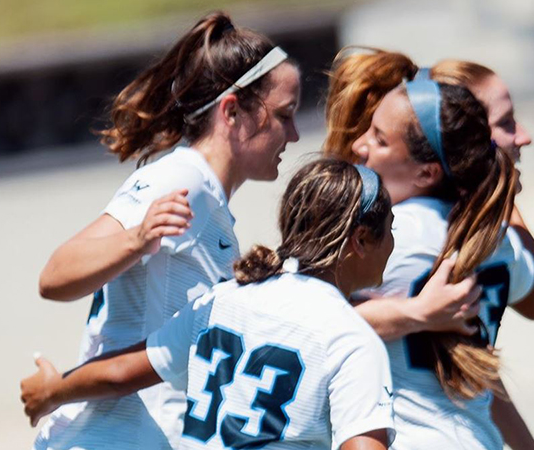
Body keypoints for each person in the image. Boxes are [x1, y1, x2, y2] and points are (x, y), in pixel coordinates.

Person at [32, 12, 301, 450]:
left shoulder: (210, 202)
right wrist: (134, 239)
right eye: (284, 114)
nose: (293, 132)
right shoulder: (182, 179)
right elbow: (55, 276)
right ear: (232, 112)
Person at [22, 159, 399, 450]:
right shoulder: (352, 341)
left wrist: (55, 390)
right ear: (361, 239)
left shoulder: (223, 300)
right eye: (391, 228)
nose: (393, 242)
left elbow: (121, 371)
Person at [323, 48, 534, 449]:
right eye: (505, 123)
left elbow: (302, 321)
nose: (522, 135)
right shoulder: (497, 240)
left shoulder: (396, 236)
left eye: (377, 138)